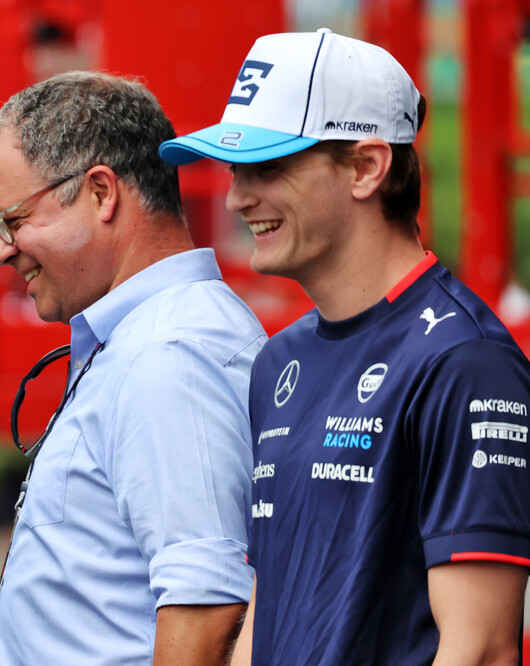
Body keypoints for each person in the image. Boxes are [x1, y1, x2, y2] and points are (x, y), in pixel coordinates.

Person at [159, 29, 530, 665]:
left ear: (366, 167)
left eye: (268, 167)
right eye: (234, 169)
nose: (238, 197)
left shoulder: (465, 363)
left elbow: (484, 648)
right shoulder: (279, 361)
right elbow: (268, 606)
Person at [0, 71, 266, 663]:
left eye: (14, 221)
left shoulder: (168, 355)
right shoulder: (152, 340)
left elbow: (205, 608)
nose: (1, 250)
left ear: (102, 192)